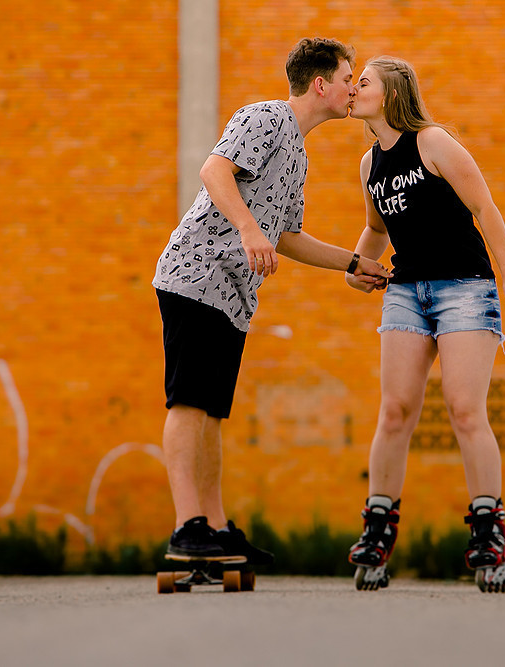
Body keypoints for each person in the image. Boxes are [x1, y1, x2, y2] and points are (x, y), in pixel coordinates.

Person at [152, 38, 391, 565]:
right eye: (349, 79)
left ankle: (213, 530)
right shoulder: (262, 116)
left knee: (212, 412)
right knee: (188, 402)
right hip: (195, 275)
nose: (354, 90)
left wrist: (354, 264)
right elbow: (214, 172)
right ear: (321, 84)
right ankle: (185, 528)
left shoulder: (299, 152)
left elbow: (286, 236)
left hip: (232, 298)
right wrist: (247, 230)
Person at [343, 56, 505, 593]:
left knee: (464, 408)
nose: (353, 89)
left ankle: (488, 534)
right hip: (406, 290)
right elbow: (376, 228)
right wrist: (356, 265)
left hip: (465, 287)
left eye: (363, 83)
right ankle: (378, 532)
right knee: (396, 409)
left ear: (392, 93)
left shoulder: (433, 143)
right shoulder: (367, 165)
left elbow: (485, 207)